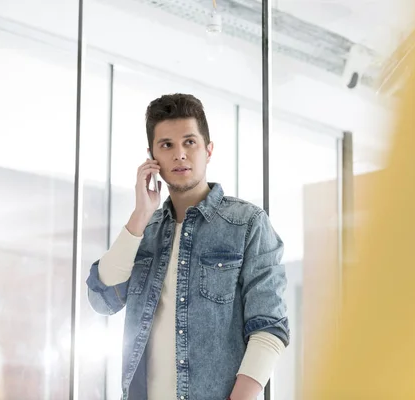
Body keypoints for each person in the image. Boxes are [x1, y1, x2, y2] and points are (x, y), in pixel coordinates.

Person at [86, 93, 289, 400]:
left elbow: (269, 328)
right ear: (152, 157)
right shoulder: (143, 232)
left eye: (189, 142)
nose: (179, 154)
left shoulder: (248, 223)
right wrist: (141, 215)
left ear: (208, 150)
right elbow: (102, 300)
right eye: (166, 145)